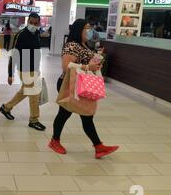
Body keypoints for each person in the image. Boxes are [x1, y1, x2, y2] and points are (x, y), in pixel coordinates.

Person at [49, 19, 119, 158]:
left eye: (90, 28)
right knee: (67, 114)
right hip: (69, 84)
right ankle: (55, 141)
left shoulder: (84, 45)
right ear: (78, 29)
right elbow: (66, 66)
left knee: (86, 114)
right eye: (87, 28)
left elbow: (84, 62)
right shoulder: (72, 45)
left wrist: (96, 61)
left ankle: (98, 147)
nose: (90, 31)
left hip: (81, 83)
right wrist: (88, 67)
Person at [0, 12, 46, 131]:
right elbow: (13, 55)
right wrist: (10, 74)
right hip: (24, 68)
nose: (33, 25)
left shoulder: (37, 33)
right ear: (27, 21)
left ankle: (6, 107)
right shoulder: (21, 35)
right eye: (31, 23)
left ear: (38, 23)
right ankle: (34, 120)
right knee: (34, 94)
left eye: (36, 23)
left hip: (34, 69)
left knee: (25, 91)